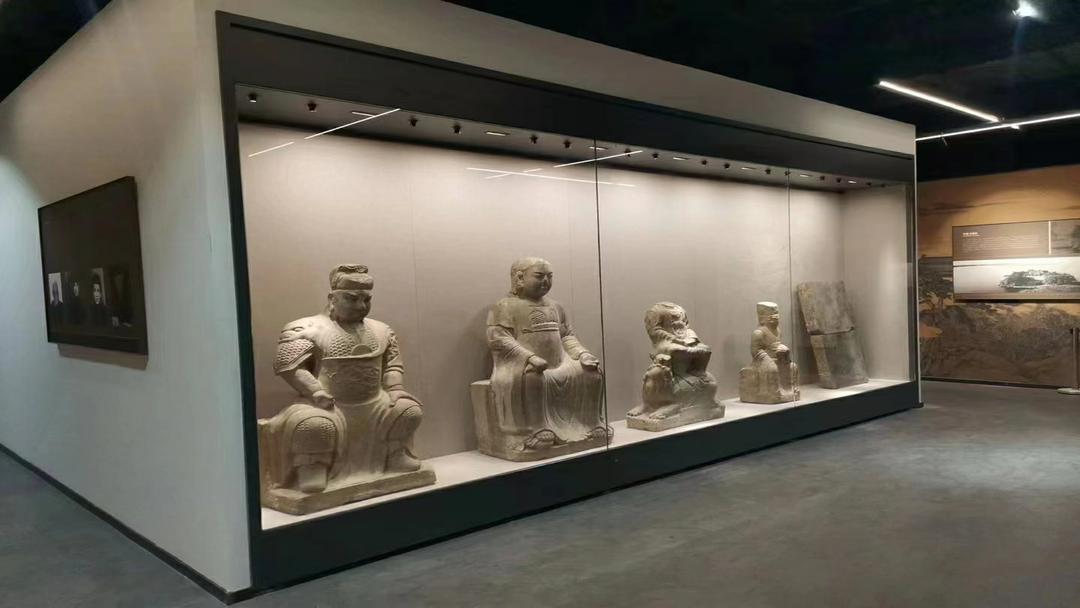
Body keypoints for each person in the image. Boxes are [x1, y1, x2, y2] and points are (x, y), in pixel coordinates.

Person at [260, 264, 425, 494]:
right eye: (352, 299)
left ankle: (394, 453)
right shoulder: (306, 328)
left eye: (366, 299)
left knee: (409, 410)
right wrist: (315, 391)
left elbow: (392, 364)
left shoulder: (383, 330)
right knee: (312, 424)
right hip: (328, 405)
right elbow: (289, 366)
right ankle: (313, 466)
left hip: (376, 404)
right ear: (332, 298)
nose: (361, 306)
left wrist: (395, 388)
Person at [485, 257, 605, 449]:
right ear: (520, 278)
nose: (546, 281)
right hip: (524, 363)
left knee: (593, 373)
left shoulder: (556, 307)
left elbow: (567, 336)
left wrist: (582, 354)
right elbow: (499, 338)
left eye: (550, 276)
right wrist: (529, 357)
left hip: (561, 362)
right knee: (533, 377)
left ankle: (591, 424)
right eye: (539, 276)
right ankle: (539, 429)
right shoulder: (505, 306)